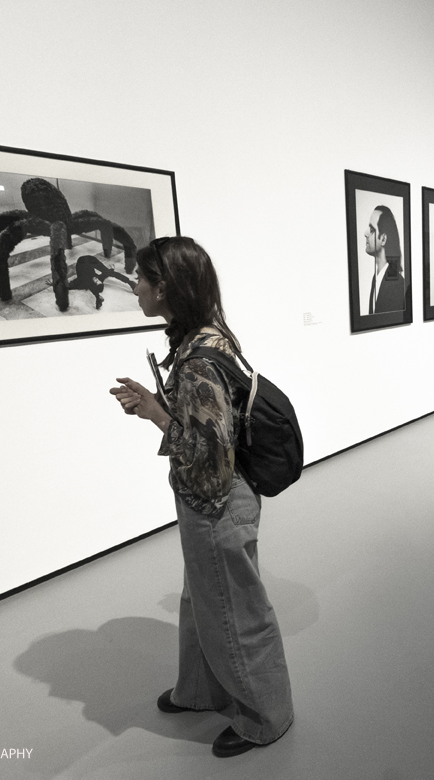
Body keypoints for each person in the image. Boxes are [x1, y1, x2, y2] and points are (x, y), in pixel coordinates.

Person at [109, 236, 294, 758]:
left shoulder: (197, 360)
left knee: (235, 611)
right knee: (203, 603)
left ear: (165, 286)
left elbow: (210, 464)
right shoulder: (206, 336)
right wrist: (161, 404)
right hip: (214, 501)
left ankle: (267, 717)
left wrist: (155, 413)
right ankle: (199, 691)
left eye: (142, 278)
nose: (136, 287)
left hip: (215, 504)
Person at [365, 205, 405, 314]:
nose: (366, 233)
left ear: (383, 239)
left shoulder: (398, 286)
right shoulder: (376, 279)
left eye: (372, 230)